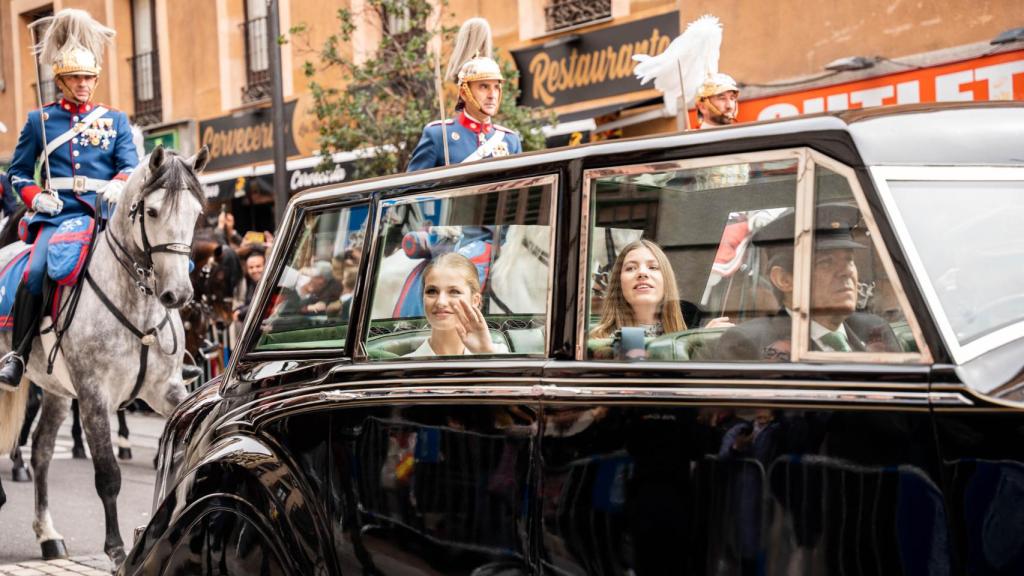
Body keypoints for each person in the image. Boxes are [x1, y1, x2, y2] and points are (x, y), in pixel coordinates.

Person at [0, 9, 138, 390]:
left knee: (151, 265)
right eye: (76, 78)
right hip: (58, 216)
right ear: (61, 80)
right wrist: (34, 197)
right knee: (35, 273)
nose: (83, 84)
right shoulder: (39, 120)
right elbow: (18, 172)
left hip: (105, 215)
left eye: (89, 78)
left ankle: (166, 350)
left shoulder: (115, 120)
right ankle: (19, 355)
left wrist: (120, 182)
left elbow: (131, 165)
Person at [715, 204, 902, 361]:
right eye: (826, 262)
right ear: (784, 279)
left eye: (849, 260)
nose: (846, 272)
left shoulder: (874, 329)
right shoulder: (749, 344)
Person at [407, 18, 522, 172]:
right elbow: (411, 191)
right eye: (483, 87)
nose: (492, 95)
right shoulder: (439, 135)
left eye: (496, 87)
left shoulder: (510, 140)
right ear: (464, 92)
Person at [592, 239, 731, 339]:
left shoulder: (690, 331)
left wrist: (707, 340)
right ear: (619, 282)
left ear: (666, 280)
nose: (642, 273)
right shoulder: (599, 341)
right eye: (631, 268)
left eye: (653, 267)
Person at [407, 253, 495, 357]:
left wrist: (485, 354)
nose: (441, 302)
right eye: (432, 291)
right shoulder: (400, 367)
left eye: (454, 292)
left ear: (475, 300)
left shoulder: (500, 354)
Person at [232, 248, 265, 323]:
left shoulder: (270, 284)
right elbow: (249, 303)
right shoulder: (251, 283)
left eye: (258, 266)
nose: (254, 270)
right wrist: (237, 310)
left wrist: (241, 313)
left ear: (265, 266)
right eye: (251, 267)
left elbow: (261, 303)